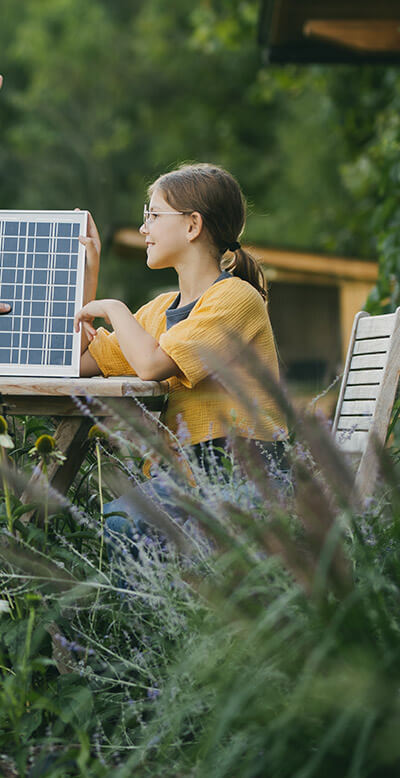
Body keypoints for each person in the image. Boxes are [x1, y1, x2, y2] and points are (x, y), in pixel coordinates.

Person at [74, 164, 287, 563]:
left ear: (192, 226)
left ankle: (141, 626)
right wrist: (89, 276)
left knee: (123, 522)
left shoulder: (235, 300)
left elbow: (153, 364)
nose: (143, 229)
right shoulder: (159, 311)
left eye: (152, 215)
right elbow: (80, 361)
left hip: (243, 476)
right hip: (190, 477)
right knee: (120, 517)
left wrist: (114, 308)